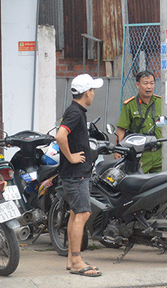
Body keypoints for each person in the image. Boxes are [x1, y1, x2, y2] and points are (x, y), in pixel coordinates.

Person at [54, 74, 103, 277]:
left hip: (77, 174)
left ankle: (71, 260)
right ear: (86, 92)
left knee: (76, 214)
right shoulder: (75, 113)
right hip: (76, 174)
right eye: (92, 90)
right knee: (83, 213)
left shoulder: (77, 111)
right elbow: (60, 136)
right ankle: (76, 261)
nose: (93, 94)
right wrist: (72, 157)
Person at [116, 71, 162, 172]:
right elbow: (121, 130)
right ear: (138, 85)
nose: (149, 87)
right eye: (145, 83)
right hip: (140, 155)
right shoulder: (130, 105)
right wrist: (117, 150)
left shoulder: (161, 102)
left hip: (159, 154)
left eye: (151, 83)